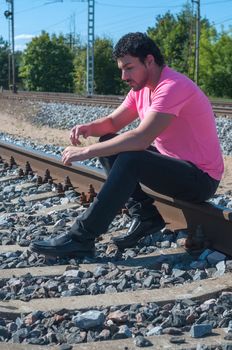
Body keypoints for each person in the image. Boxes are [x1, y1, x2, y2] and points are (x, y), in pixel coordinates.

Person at [30, 32, 224, 258]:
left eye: (129, 68)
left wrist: (86, 151)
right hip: (175, 166)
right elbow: (113, 122)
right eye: (122, 68)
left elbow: (141, 138)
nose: (124, 76)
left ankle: (80, 237)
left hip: (200, 178)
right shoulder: (141, 90)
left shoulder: (173, 86)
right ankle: (145, 216)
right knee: (109, 141)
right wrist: (88, 128)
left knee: (130, 157)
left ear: (149, 61)